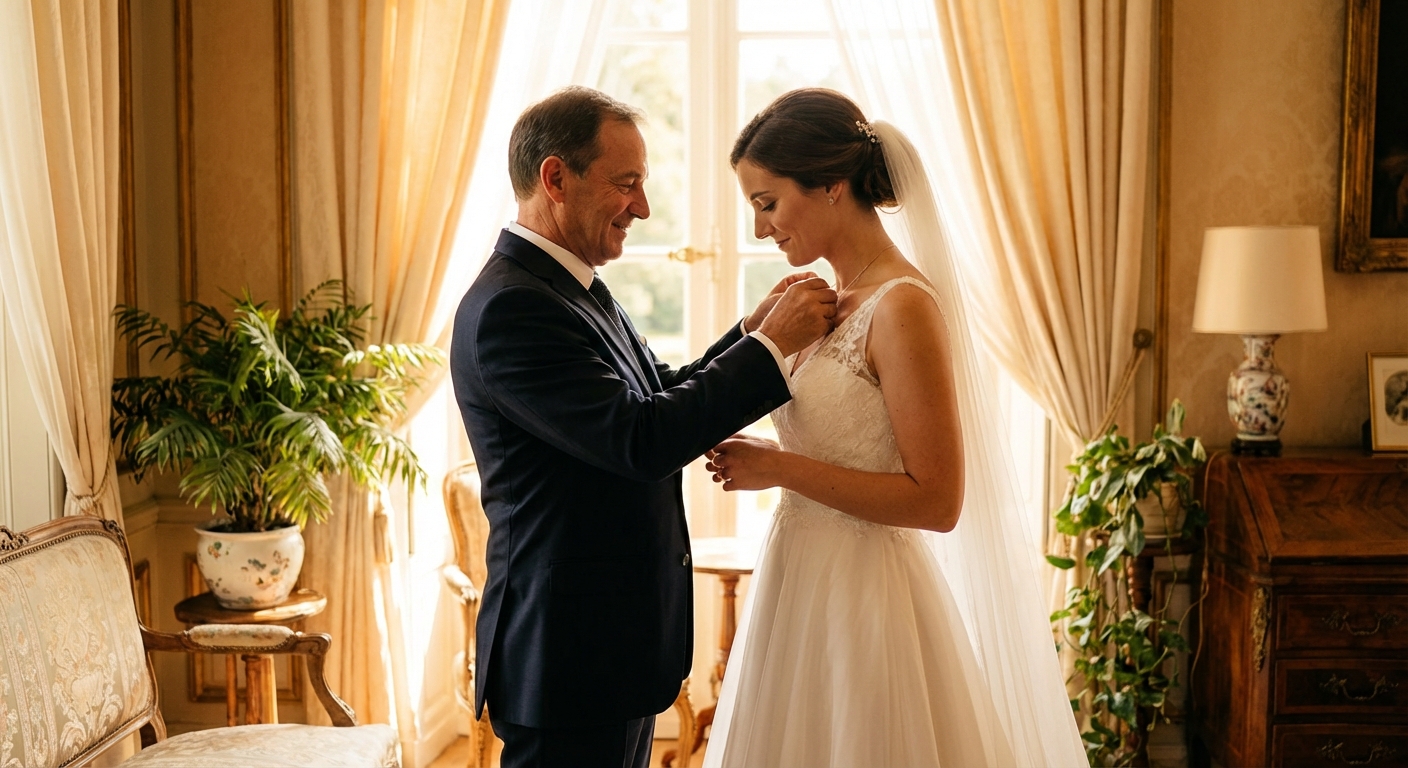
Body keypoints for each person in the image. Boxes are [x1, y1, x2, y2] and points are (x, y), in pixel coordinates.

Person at [449, 86, 837, 768]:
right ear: (555, 179)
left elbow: (656, 391)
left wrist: (750, 332)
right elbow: (640, 441)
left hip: (607, 653)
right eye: (625, 184)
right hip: (566, 659)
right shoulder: (514, 308)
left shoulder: (572, 286)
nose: (643, 207)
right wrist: (771, 351)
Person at [701, 89, 1087, 767]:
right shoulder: (813, 304)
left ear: (830, 186)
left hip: (865, 601)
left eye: (767, 203)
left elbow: (936, 502)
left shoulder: (902, 307)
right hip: (796, 583)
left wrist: (779, 467)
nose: (761, 230)